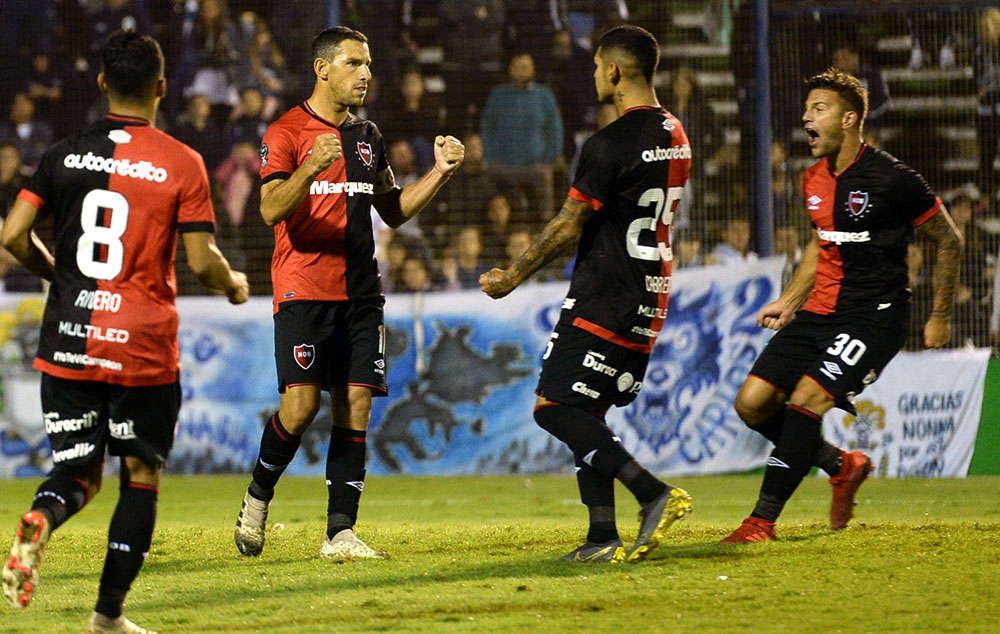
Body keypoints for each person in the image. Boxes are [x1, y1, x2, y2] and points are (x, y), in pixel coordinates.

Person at [0, 30, 249, 633]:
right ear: (163, 88)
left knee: (77, 473)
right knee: (141, 475)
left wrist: (56, 274)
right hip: (140, 345)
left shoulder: (61, 154)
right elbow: (200, 259)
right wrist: (233, 281)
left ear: (103, 81)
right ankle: (107, 617)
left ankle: (43, 517)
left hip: (68, 338)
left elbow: (11, 235)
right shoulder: (182, 162)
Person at [234, 26, 464, 562]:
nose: (365, 74)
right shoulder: (286, 133)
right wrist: (310, 168)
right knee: (300, 406)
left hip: (362, 293)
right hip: (303, 291)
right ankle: (257, 496)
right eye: (354, 63)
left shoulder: (367, 137)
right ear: (322, 68)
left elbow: (393, 209)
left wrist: (440, 173)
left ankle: (340, 533)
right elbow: (270, 210)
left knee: (355, 404)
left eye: (368, 64)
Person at [480, 25, 693, 564]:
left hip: (607, 291)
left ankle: (651, 493)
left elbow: (569, 225)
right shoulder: (675, 132)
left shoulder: (608, 143)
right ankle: (602, 537)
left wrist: (511, 276)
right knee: (587, 414)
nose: (595, 74)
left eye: (599, 66)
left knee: (553, 406)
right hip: (651, 290)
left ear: (615, 72)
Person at [722, 68, 961, 543]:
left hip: (873, 317)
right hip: (818, 313)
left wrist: (941, 314)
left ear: (850, 119)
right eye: (807, 108)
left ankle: (760, 522)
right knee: (751, 405)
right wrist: (789, 301)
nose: (807, 118)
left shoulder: (893, 179)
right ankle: (840, 464)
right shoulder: (812, 178)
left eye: (819, 109)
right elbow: (821, 244)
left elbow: (948, 238)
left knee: (805, 399)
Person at [480, 52, 563, 221]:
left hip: (535, 165)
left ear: (533, 69)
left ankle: (543, 230)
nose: (521, 72)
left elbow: (555, 129)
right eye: (517, 67)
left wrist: (548, 159)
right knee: (485, 177)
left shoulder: (544, 96)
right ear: (510, 70)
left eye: (525, 67)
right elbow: (486, 127)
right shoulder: (498, 95)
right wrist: (489, 157)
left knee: (545, 177)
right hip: (503, 164)